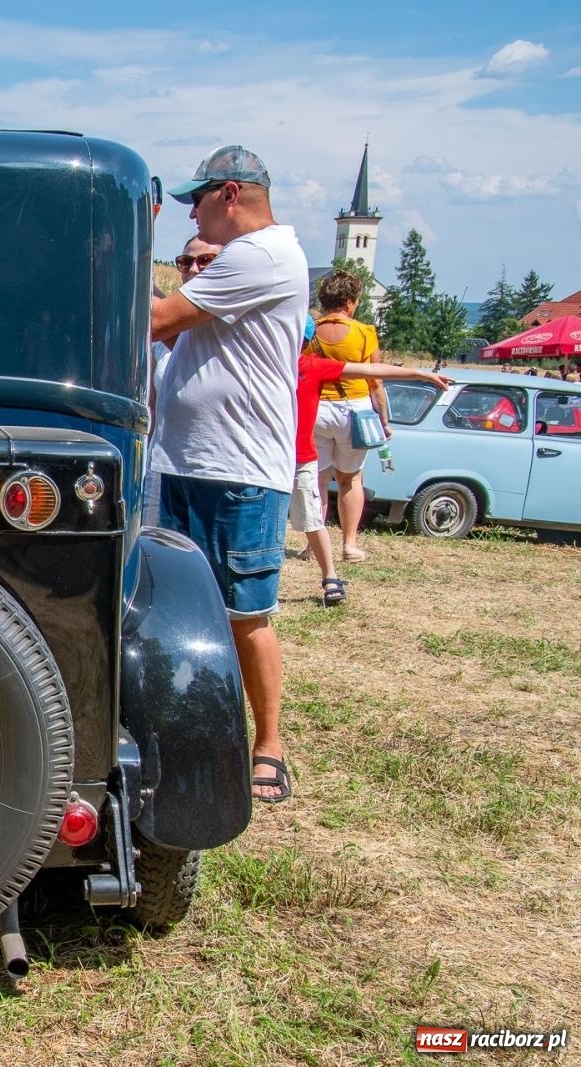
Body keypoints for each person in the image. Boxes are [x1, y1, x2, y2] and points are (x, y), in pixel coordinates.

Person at [150, 145, 307, 805]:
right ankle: (188, 728)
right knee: (173, 608)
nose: (192, 212)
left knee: (245, 613)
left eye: (198, 199)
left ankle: (267, 741)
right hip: (189, 461)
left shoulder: (262, 255)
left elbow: (157, 319)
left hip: (237, 468)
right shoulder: (249, 259)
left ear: (232, 194)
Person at [293, 356, 451, 605]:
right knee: (306, 516)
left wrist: (421, 374)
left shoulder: (307, 365)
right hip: (277, 455)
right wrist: (421, 375)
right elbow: (369, 369)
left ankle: (330, 577)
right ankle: (330, 577)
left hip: (296, 457)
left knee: (312, 517)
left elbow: (369, 370)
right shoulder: (279, 362)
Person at [143, 234, 222, 526]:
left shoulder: (227, 323)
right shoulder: (165, 331)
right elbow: (152, 405)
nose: (194, 269)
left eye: (206, 260)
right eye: (185, 262)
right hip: (164, 460)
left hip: (211, 465)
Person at [307, 270, 385, 561]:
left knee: (316, 480)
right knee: (350, 479)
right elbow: (375, 380)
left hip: (317, 409)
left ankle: (312, 543)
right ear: (351, 302)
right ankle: (349, 544)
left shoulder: (311, 330)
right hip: (355, 409)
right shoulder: (364, 332)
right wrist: (384, 419)